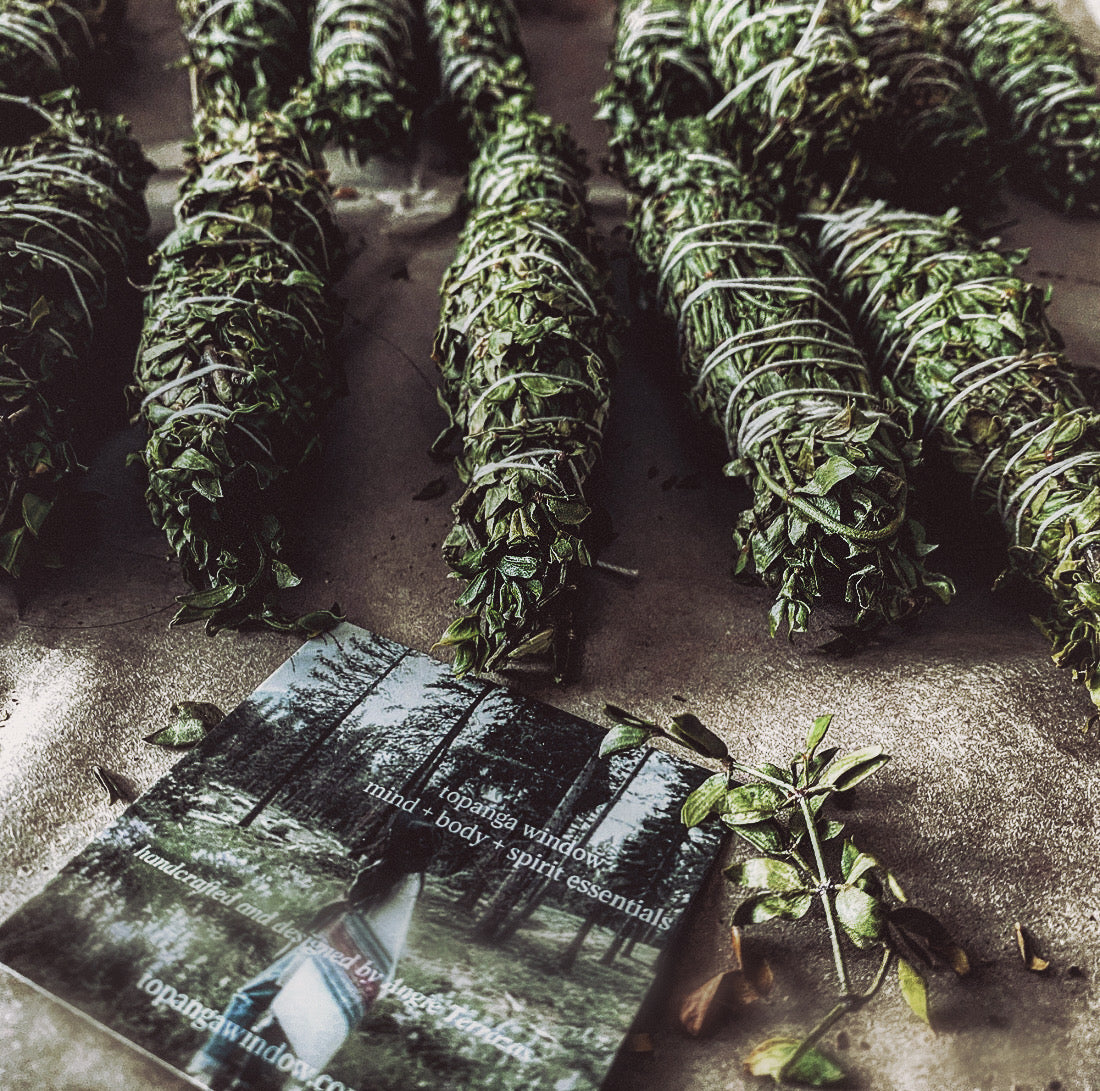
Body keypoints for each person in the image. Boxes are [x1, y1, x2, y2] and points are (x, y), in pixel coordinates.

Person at [186, 816, 439, 1091]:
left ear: (401, 842)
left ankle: (206, 1065)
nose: (389, 837)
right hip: (352, 958)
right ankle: (244, 1083)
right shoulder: (415, 878)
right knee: (280, 1020)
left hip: (330, 948)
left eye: (395, 835)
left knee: (252, 997)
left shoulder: (390, 871)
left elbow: (353, 900)